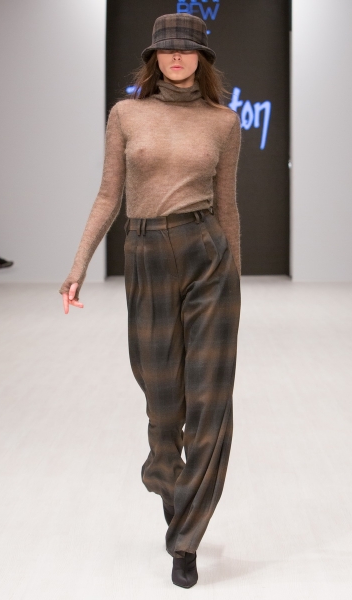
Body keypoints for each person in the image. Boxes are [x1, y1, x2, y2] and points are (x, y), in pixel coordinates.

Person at [60, 13, 241, 589]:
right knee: (163, 401)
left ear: (201, 58)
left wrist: (234, 276)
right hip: (145, 255)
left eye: (187, 50)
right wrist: (78, 266)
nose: (177, 57)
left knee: (210, 400)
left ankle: (186, 538)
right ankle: (168, 478)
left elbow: (227, 205)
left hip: (207, 255)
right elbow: (108, 195)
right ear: (155, 57)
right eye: (167, 50)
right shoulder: (126, 114)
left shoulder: (224, 121)